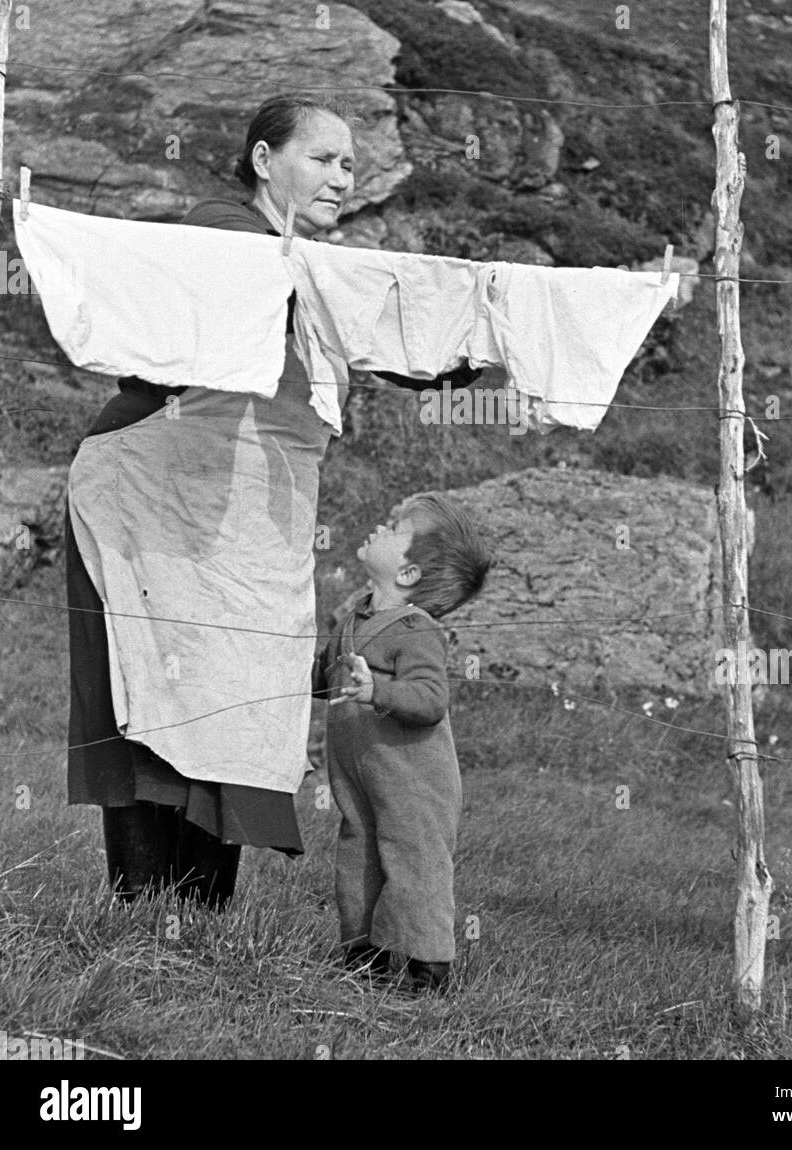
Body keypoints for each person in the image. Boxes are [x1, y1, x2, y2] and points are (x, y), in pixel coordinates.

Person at [66, 95, 481, 909]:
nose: (342, 177)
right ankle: (146, 913)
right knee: (153, 687)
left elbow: (373, 332)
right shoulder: (219, 229)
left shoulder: (313, 269)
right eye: (323, 159)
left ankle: (201, 917)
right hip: (148, 501)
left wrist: (471, 350)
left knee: (242, 689)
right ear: (264, 161)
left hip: (248, 520)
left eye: (351, 165)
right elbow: (299, 294)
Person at [312, 492, 491, 992]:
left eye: (394, 528)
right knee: (359, 855)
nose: (379, 526)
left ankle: (425, 965)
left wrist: (378, 691)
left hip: (414, 782)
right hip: (360, 777)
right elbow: (323, 680)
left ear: (408, 574)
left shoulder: (417, 630)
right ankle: (363, 955)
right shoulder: (353, 619)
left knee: (414, 862)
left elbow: (432, 699)